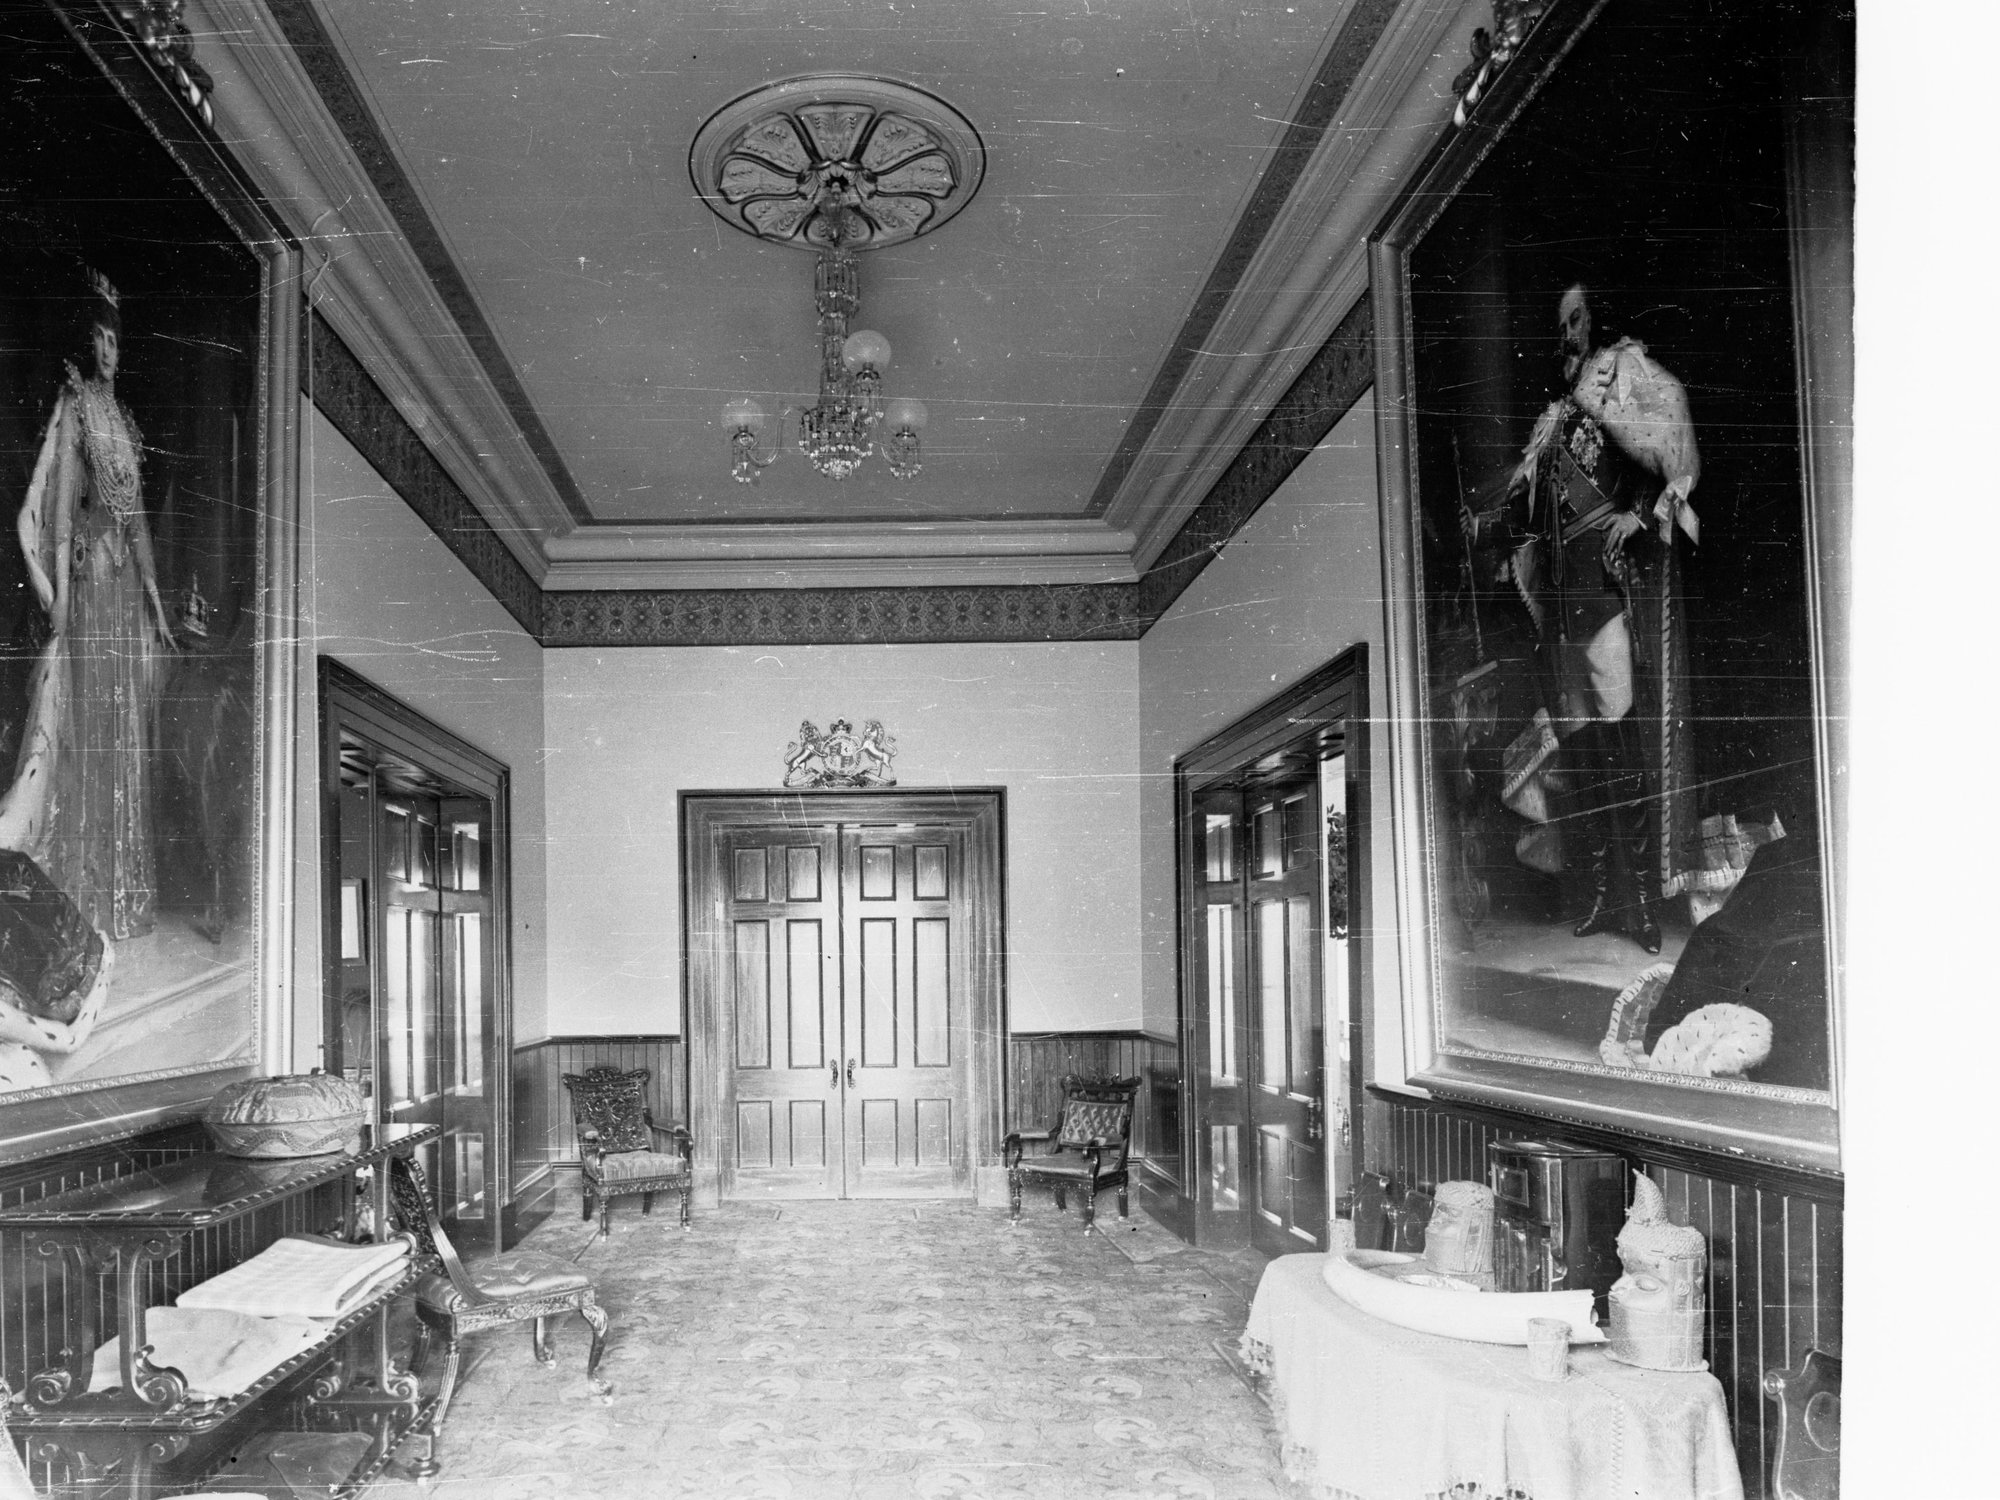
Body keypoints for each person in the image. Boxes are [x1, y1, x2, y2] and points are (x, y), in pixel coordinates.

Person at [1466, 284, 1702, 953]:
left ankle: (1641, 907)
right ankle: (1602, 897)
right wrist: (1483, 523)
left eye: (1575, 320)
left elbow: (1666, 459)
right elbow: (1525, 517)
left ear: (1594, 321)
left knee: (1622, 753)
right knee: (1586, 760)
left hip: (1603, 593)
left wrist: (1639, 512)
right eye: (1558, 325)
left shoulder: (1620, 383)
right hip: (1562, 611)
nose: (1567, 335)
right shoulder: (1552, 424)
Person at [0, 268, 173, 939]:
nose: (108, 350)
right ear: (88, 341)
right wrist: (64, 606)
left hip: (126, 594)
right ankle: (88, 889)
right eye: (99, 337)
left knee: (125, 730)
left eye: (115, 340)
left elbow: (139, 525)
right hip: (92, 591)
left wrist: (157, 606)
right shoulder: (75, 406)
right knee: (93, 732)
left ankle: (125, 886)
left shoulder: (124, 421)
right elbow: (66, 518)